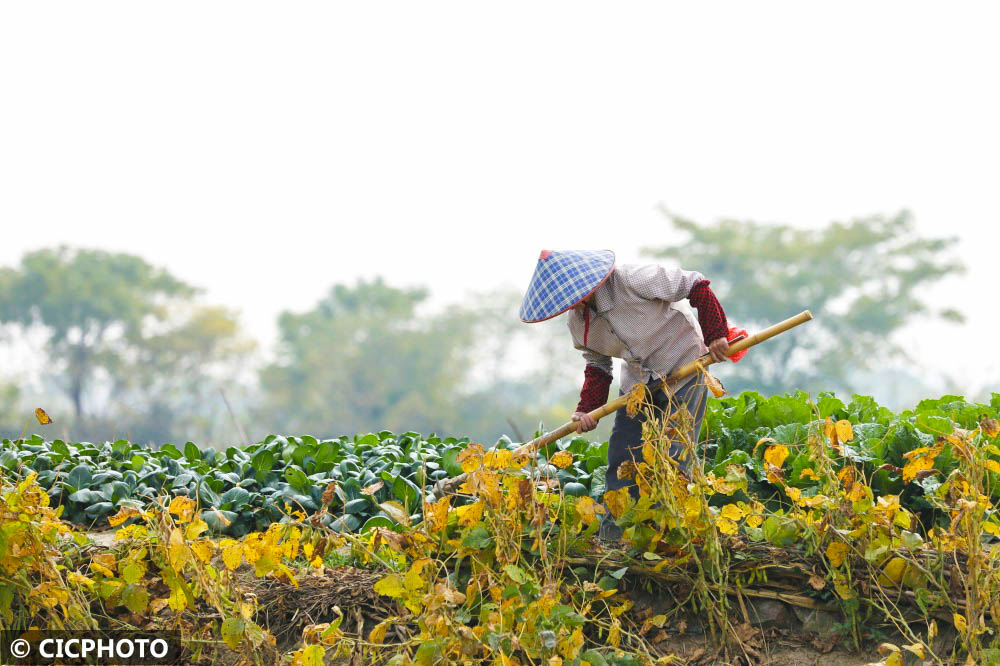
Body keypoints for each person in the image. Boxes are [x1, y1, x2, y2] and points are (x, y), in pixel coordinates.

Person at [519, 249, 744, 542]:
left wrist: (715, 334)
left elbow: (696, 285)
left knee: (674, 457)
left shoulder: (632, 280)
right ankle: (615, 539)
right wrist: (588, 409)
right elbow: (597, 365)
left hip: (684, 365)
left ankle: (671, 535)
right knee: (623, 458)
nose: (573, 305)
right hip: (639, 384)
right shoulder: (578, 323)